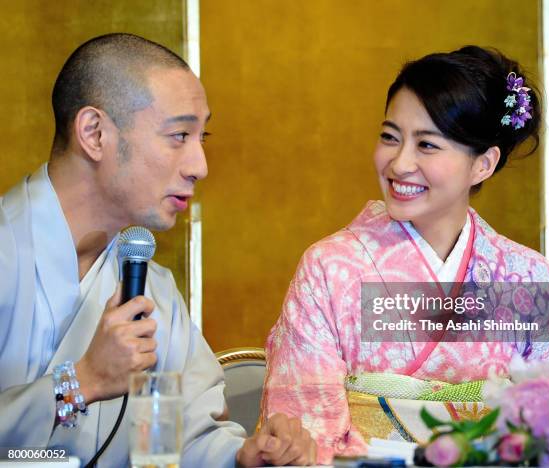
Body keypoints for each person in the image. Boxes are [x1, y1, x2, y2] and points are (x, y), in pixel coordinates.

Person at [0, 33, 316, 467]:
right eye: (179, 135)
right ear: (94, 133)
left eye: (203, 136)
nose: (199, 166)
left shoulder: (154, 291)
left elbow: (177, 441)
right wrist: (81, 382)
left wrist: (244, 458)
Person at [261, 46, 549, 463]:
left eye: (427, 145)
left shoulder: (526, 274)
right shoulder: (328, 268)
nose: (399, 163)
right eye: (390, 137)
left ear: (483, 164)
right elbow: (305, 433)